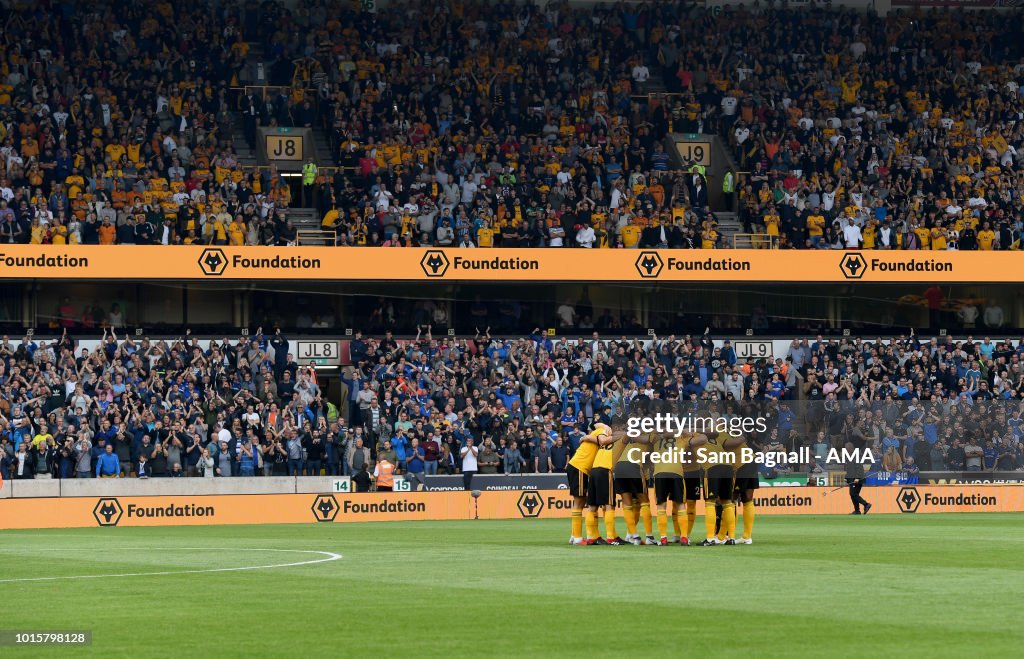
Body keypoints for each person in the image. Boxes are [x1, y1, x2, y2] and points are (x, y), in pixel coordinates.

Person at [565, 422, 615, 545]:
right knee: (580, 502)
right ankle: (577, 538)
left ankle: (576, 535)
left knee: (587, 503)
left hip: (580, 467)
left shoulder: (598, 431)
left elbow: (596, 428)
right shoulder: (604, 431)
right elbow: (602, 439)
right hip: (580, 467)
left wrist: (587, 437)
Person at [845, 442, 872, 515]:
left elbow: (859, 468)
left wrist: (857, 478)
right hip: (851, 479)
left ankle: (866, 504)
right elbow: (849, 469)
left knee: (853, 494)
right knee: (854, 494)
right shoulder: (849, 456)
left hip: (857, 479)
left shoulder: (855, 456)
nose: (846, 450)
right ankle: (857, 510)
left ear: (850, 448)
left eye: (847, 448)